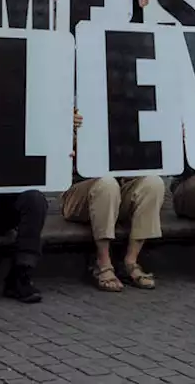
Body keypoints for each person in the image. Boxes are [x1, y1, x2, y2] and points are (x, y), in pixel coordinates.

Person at [61, 111, 164, 291]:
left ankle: (131, 261)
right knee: (106, 184)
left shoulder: (126, 102)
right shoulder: (68, 98)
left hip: (119, 185)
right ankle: (103, 262)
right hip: (79, 189)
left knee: (153, 183)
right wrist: (66, 127)